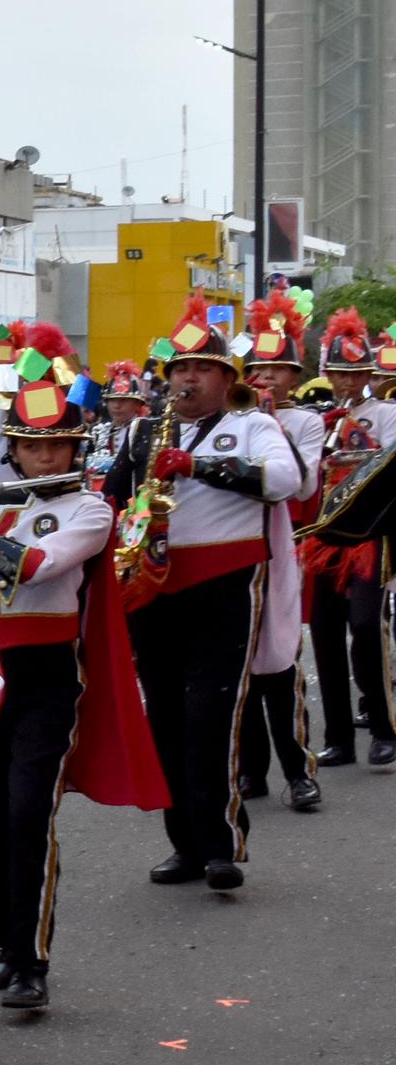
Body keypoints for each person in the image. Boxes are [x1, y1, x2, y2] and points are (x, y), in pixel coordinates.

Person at [0, 327, 160, 1013]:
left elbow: (31, 569)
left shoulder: (89, 509)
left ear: (76, 450)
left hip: (48, 679)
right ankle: (4, 942)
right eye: (31, 445)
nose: (43, 454)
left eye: (56, 445)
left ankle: (31, 960)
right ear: (13, 450)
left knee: (26, 815)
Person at [105, 294, 302, 893]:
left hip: (222, 585)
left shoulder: (253, 425)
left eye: (201, 369)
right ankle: (184, 846)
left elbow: (286, 481)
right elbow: (110, 496)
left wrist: (197, 467)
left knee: (208, 714)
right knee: (162, 715)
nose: (188, 378)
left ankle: (220, 844)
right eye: (180, 370)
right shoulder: (142, 429)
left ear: (225, 377)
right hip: (152, 585)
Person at [233, 290, 325, 813]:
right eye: (259, 368)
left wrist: (272, 424)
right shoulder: (230, 416)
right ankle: (251, 769)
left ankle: (298, 770)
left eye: (278, 369)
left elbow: (304, 485)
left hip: (278, 547)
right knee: (237, 660)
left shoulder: (307, 422)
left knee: (280, 657)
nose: (266, 377)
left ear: (295, 375)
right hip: (232, 551)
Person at [303, 310, 396, 769]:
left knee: (365, 628)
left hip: (369, 535)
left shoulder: (388, 414)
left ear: (369, 374)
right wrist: (321, 435)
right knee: (323, 634)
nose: (346, 383)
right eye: (339, 374)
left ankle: (383, 727)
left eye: (355, 373)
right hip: (325, 538)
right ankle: (338, 737)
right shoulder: (318, 419)